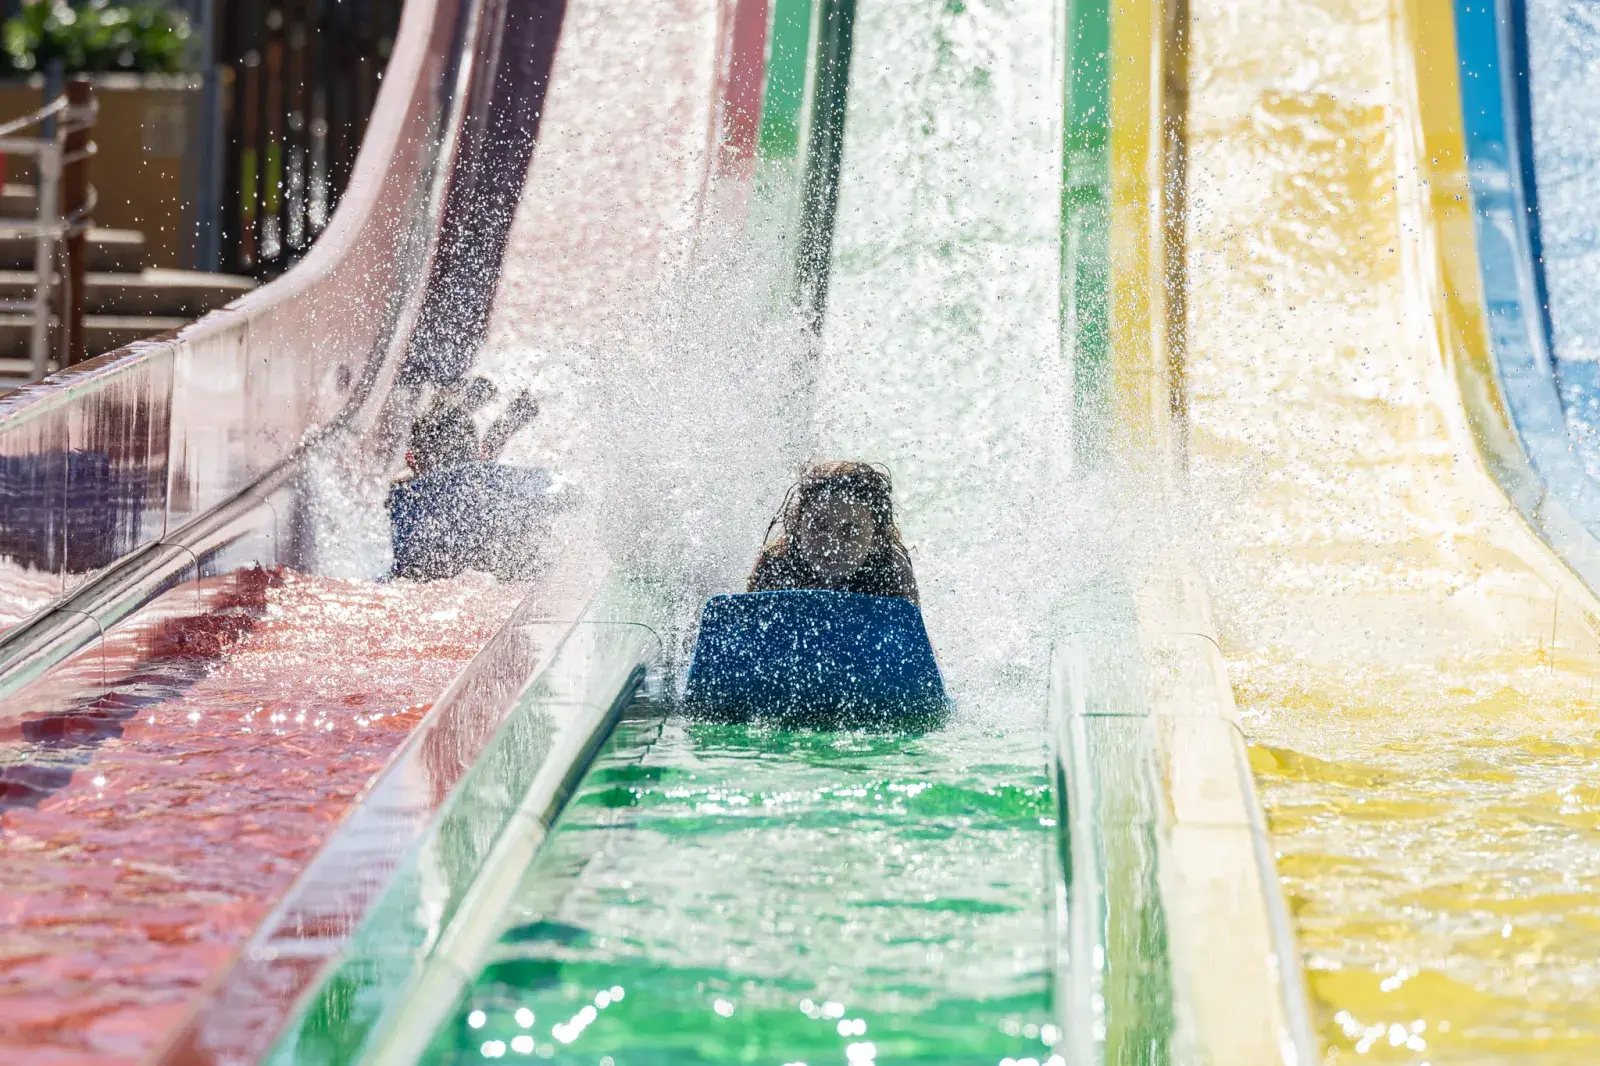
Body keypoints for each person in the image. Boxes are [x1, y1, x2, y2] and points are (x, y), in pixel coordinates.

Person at [389, 380, 552, 580]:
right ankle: (503, 411)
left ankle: (491, 407)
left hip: (442, 572)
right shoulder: (499, 480)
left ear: (411, 459)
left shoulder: (405, 498)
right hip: (525, 567)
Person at [747, 461, 919, 603]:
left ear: (875, 537)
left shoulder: (893, 573)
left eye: (850, 531)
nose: (831, 544)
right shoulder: (774, 564)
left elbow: (915, 640)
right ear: (799, 526)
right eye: (819, 526)